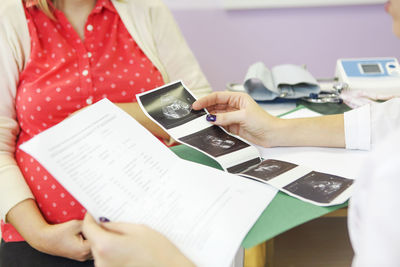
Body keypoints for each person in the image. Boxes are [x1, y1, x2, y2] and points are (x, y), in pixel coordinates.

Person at [81, 1, 400, 266]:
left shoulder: (389, 174)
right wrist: (275, 130)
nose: (386, 7)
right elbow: (387, 119)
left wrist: (166, 261)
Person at [0, 0, 211, 266]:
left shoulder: (146, 10)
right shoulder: (9, 16)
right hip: (37, 244)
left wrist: (110, 115)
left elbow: (200, 107)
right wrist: (39, 235)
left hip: (152, 238)